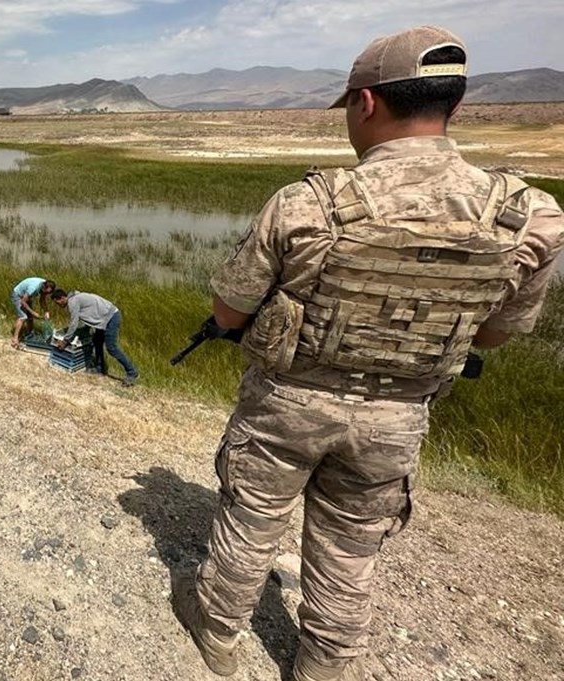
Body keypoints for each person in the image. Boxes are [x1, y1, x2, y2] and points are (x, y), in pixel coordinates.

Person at [171, 26, 564, 681]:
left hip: (287, 404)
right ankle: (325, 662)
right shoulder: (528, 216)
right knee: (351, 544)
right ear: (454, 108)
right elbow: (494, 334)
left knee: (252, 517)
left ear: (368, 103)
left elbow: (228, 312)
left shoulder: (306, 203)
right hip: (400, 415)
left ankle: (216, 630)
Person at [50, 288, 139, 386]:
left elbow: (74, 323)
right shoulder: (76, 297)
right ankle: (100, 368)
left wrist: (65, 340)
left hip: (111, 318)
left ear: (62, 298)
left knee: (112, 348)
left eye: (57, 302)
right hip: (105, 317)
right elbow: (88, 312)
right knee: (97, 341)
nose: (58, 305)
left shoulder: (73, 302)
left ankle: (131, 372)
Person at [10, 276, 55, 347]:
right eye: (46, 292)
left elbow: (42, 300)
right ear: (44, 287)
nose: (46, 294)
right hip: (18, 295)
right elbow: (22, 302)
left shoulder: (45, 287)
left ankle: (29, 333)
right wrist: (33, 312)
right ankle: (15, 339)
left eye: (48, 293)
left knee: (30, 317)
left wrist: (46, 311)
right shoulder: (33, 288)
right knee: (23, 317)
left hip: (27, 296)